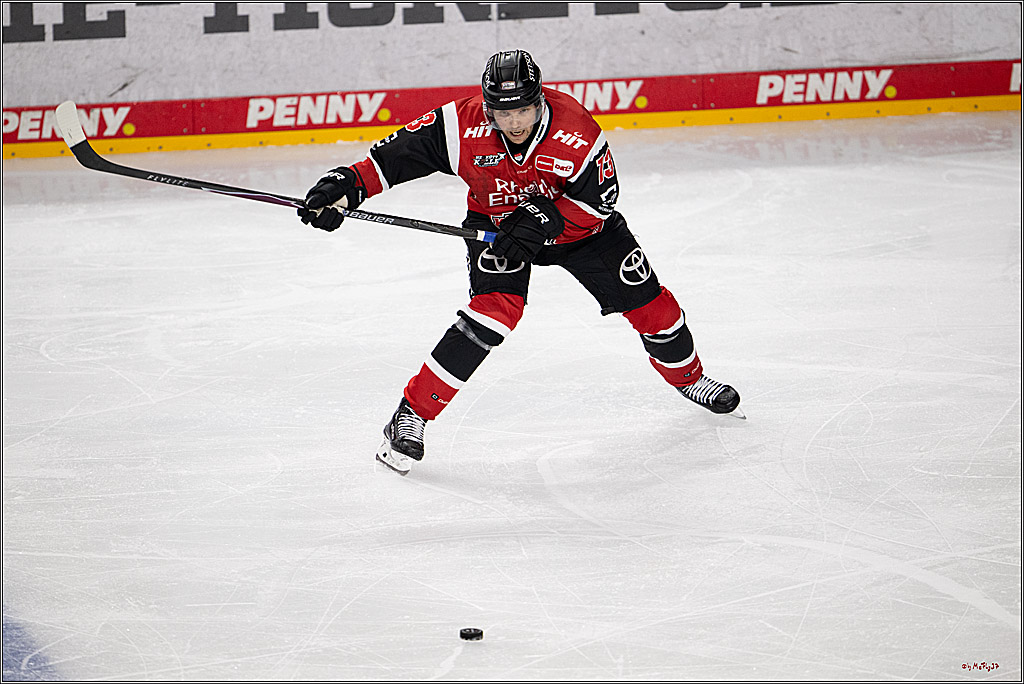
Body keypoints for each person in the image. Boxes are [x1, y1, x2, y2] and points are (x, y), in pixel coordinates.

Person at [298, 50, 742, 476]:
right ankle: (410, 415)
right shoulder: (460, 123)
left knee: (652, 307)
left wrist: (546, 219)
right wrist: (345, 186)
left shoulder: (578, 132)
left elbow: (601, 201)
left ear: (540, 99)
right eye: (501, 112)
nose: (512, 122)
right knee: (492, 315)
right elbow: (393, 159)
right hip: (498, 230)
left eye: (523, 110)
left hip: (582, 233)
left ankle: (690, 379)